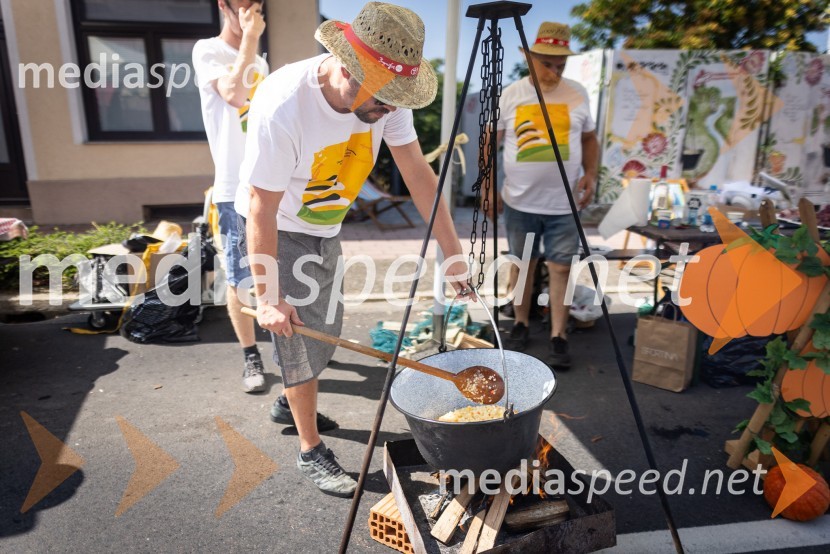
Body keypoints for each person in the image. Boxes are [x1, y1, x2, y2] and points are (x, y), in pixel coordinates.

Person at [236, 2, 471, 497]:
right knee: (298, 333)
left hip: (324, 226)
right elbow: (260, 205)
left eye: (397, 99)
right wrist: (267, 295)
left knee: (324, 330)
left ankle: (289, 397)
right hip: (277, 225)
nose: (389, 110)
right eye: (383, 98)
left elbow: (420, 179)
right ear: (347, 66)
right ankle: (310, 449)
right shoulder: (285, 103)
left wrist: (452, 254)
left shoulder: (389, 101)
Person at [490, 22, 599, 370]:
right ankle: (521, 324)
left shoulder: (578, 93)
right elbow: (489, 144)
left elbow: (589, 140)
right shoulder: (512, 94)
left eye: (560, 64)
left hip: (563, 204)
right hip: (520, 201)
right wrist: (488, 186)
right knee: (522, 266)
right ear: (530, 57)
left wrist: (592, 174)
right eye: (547, 63)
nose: (554, 71)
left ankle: (558, 335)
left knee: (562, 270)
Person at [192, 0, 269, 393]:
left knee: (279, 272)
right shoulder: (208, 50)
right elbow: (234, 94)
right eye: (243, 4)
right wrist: (251, 40)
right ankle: (250, 355)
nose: (251, 11)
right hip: (231, 189)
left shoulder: (263, 62)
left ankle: (293, 351)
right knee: (240, 279)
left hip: (268, 187)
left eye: (257, 5)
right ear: (223, 4)